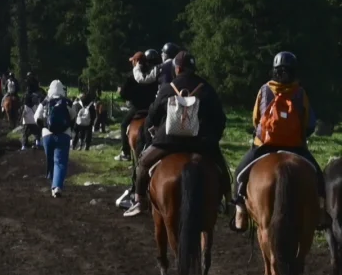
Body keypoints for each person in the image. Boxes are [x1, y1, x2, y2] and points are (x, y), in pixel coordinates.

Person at [124, 51, 228, 218]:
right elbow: (220, 119)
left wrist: (153, 133)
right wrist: (212, 138)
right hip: (200, 143)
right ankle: (224, 200)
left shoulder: (167, 88)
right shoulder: (207, 88)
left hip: (168, 141)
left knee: (143, 163)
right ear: (193, 68)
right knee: (222, 169)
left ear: (177, 69)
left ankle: (139, 200)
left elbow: (152, 117)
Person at [233, 51, 326, 231]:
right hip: (295, 147)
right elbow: (309, 123)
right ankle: (321, 212)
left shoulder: (264, 90)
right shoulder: (300, 93)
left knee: (238, 175)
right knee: (318, 177)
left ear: (274, 70)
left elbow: (255, 119)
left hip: (264, 146)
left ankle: (240, 211)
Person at [118, 51, 160, 162]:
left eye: (133, 61)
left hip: (137, 108)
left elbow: (124, 94)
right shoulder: (152, 73)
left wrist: (122, 93)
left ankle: (125, 152)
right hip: (151, 107)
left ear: (136, 61)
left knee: (123, 125)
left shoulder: (132, 76)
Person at [40, 80, 73, 199]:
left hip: (47, 135)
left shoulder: (45, 101)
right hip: (64, 134)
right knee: (60, 161)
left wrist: (44, 125)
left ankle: (51, 179)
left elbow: (36, 116)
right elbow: (73, 115)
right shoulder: (67, 102)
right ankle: (57, 186)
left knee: (50, 159)